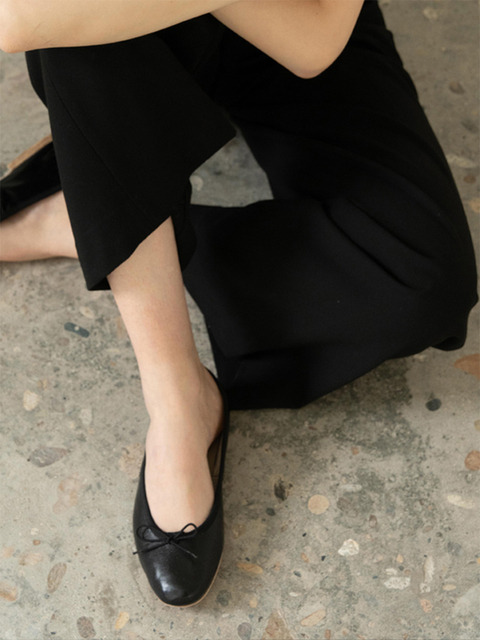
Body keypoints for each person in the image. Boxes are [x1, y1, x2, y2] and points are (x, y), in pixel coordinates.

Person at [0, 0, 477, 608]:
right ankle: (179, 400)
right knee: (75, 32)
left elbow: (313, 44)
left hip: (292, 15)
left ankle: (89, 215)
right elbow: (19, 19)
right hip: (114, 43)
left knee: (420, 279)